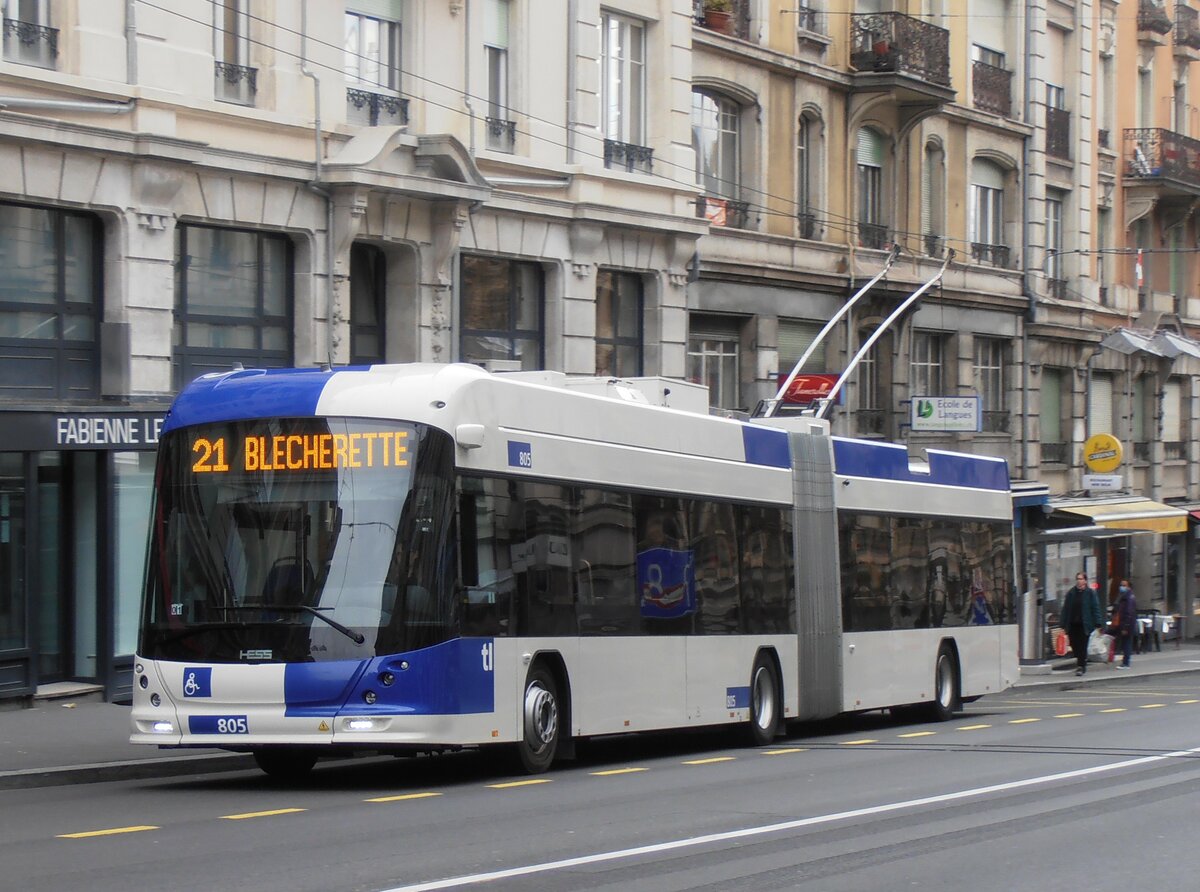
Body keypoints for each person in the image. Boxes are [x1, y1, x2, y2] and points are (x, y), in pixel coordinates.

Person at [1059, 572, 1102, 675]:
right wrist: (1063, 623)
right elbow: (1066, 609)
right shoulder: (1071, 593)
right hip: (1073, 623)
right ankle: (1081, 659)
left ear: (1085, 581)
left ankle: (1081, 666)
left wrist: (1098, 622)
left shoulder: (1090, 593)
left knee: (1082, 644)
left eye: (1081, 579)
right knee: (1074, 644)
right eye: (1078, 579)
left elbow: (1095, 608)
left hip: (1084, 624)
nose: (1079, 581)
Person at [1110, 579, 1137, 669]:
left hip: (1126, 624)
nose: (1122, 587)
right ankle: (1125, 662)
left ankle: (1126, 663)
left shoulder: (1128, 597)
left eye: (1124, 585)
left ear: (1128, 587)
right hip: (1124, 623)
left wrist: (1125, 627)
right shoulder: (1124, 596)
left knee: (1126, 643)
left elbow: (1129, 613)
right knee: (1125, 642)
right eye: (1121, 585)